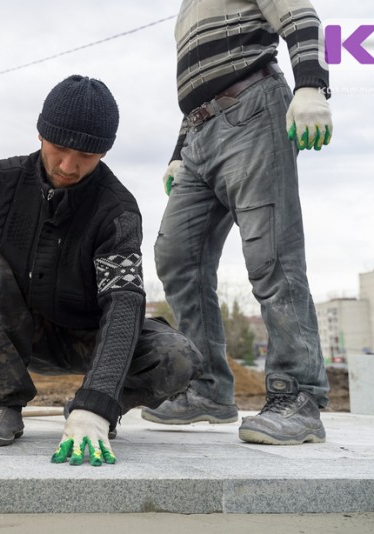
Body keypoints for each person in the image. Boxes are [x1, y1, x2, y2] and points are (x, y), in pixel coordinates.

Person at [0, 75, 203, 466]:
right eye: (59, 148)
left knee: (179, 357)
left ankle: (88, 409)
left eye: (87, 156)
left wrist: (98, 402)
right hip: (26, 331)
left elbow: (124, 303)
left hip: (91, 338)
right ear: (41, 134)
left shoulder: (117, 210)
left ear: (104, 153)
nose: (68, 166)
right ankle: (6, 405)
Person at [143, 0, 333, 445]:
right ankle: (206, 389)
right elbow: (199, 83)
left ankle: (299, 396)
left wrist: (311, 86)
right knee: (175, 255)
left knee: (272, 256)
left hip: (252, 110)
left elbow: (301, 18)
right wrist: (178, 153)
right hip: (199, 135)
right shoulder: (186, 11)